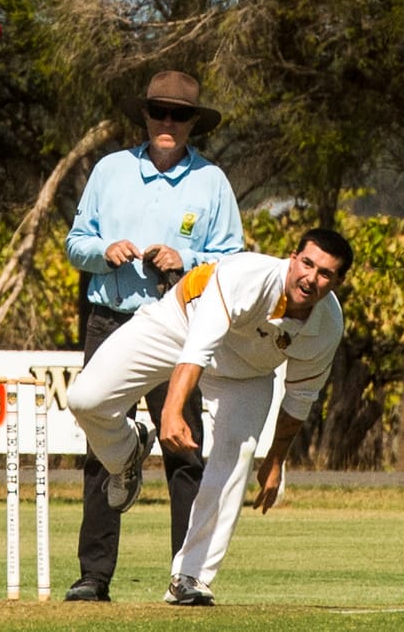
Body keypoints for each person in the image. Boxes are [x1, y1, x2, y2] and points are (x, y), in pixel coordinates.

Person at [67, 228, 354, 606]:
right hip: (180, 322)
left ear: (337, 282)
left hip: (246, 373)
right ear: (292, 257)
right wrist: (170, 413)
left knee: (237, 455)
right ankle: (126, 453)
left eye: (325, 273)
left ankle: (190, 577)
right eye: (307, 264)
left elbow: (300, 397)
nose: (311, 278)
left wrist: (276, 461)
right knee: (85, 399)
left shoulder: (328, 325)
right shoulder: (247, 276)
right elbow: (198, 349)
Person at [63, 70, 244, 602]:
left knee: (184, 449)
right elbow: (76, 243)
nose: (168, 122)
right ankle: (94, 576)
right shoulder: (110, 170)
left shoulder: (212, 181)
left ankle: (187, 578)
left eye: (179, 114)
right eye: (159, 111)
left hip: (180, 326)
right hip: (111, 320)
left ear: (193, 123)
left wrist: (184, 258)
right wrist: (104, 251)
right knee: (101, 448)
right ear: (144, 115)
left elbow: (233, 261)